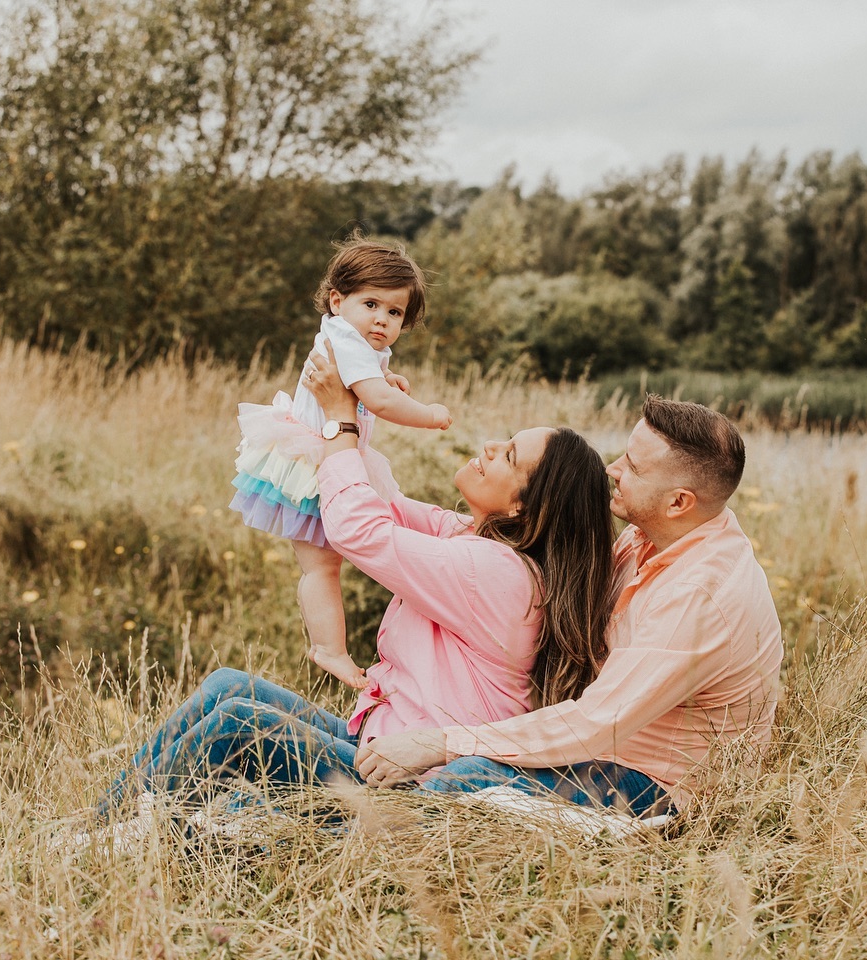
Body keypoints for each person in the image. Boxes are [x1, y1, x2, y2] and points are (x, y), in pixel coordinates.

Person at [92, 345, 616, 826]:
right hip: (376, 743)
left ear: (526, 506)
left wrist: (341, 419)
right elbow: (368, 498)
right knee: (229, 685)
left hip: (412, 782)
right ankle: (109, 818)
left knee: (236, 722)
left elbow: (360, 531)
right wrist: (356, 403)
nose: (489, 446)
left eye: (508, 456)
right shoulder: (470, 537)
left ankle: (113, 835)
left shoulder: (499, 574)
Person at [354, 396, 783, 817]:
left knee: (465, 778)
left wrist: (441, 742)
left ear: (678, 503)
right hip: (597, 754)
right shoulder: (648, 537)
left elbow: (597, 723)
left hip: (656, 790)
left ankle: (358, 849)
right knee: (297, 731)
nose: (613, 469)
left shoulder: (700, 595)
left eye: (632, 468)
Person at [230, 236, 453, 690]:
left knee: (326, 563)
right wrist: (429, 416)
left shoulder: (350, 338)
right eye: (372, 304)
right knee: (321, 566)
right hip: (315, 460)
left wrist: (385, 375)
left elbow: (367, 381)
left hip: (332, 455)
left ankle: (337, 645)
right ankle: (329, 649)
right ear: (337, 300)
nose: (383, 319)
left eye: (395, 313)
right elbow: (377, 401)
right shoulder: (347, 339)